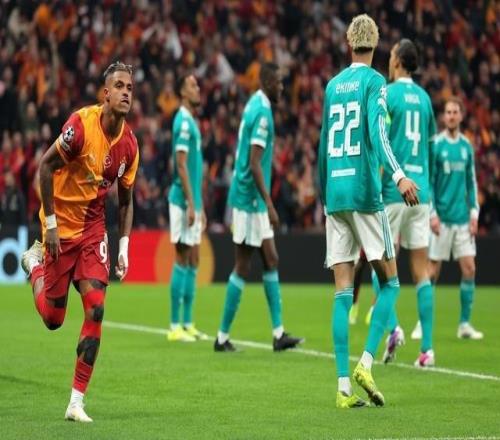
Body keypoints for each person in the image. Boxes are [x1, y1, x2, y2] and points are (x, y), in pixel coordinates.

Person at [21, 62, 139, 422]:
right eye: (119, 86)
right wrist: (50, 225)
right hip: (60, 228)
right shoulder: (81, 126)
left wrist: (123, 247)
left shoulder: (130, 146)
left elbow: (126, 200)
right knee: (53, 319)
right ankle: (34, 264)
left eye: (130, 88)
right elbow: (45, 166)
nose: (126, 92)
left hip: (92, 230)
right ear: (106, 93)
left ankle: (76, 402)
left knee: (96, 308)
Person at [318, 14, 419, 408]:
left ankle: (343, 389)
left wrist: (326, 195)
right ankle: (365, 363)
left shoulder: (332, 86)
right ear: (375, 45)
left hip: (335, 194)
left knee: (343, 291)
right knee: (390, 282)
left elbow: (323, 145)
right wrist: (399, 175)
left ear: (349, 42)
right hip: (363, 192)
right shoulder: (375, 82)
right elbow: (378, 133)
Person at [214, 63, 303, 353]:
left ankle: (278, 334)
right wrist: (269, 203)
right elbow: (254, 163)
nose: (282, 87)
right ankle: (222, 337)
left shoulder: (254, 103)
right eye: (278, 82)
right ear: (266, 82)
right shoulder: (263, 113)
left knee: (271, 258)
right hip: (250, 199)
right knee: (242, 265)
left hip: (249, 197)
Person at [371, 39, 437, 367]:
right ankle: (427, 350)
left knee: (379, 263)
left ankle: (394, 328)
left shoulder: (389, 94)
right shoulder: (425, 99)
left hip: (393, 190)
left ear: (397, 60)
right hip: (421, 192)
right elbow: (430, 150)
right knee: (421, 271)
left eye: (392, 53)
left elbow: (381, 142)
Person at [423, 97, 483, 340]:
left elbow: (471, 183)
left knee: (469, 269)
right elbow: (429, 183)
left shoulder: (466, 147)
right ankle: (422, 322)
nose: (451, 116)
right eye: (448, 112)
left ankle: (464, 324)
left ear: (461, 116)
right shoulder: (436, 145)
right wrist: (432, 214)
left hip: (462, 220)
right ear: (444, 117)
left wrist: (474, 214)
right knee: (431, 273)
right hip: (441, 220)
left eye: (455, 112)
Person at [166, 74, 207, 342]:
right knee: (182, 258)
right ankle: (174, 326)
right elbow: (181, 165)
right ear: (182, 92)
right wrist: (191, 203)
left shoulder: (191, 121)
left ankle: (188, 322)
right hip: (182, 201)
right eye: (192, 85)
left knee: (194, 259)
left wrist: (200, 205)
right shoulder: (182, 121)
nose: (198, 88)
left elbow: (193, 168)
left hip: (193, 202)